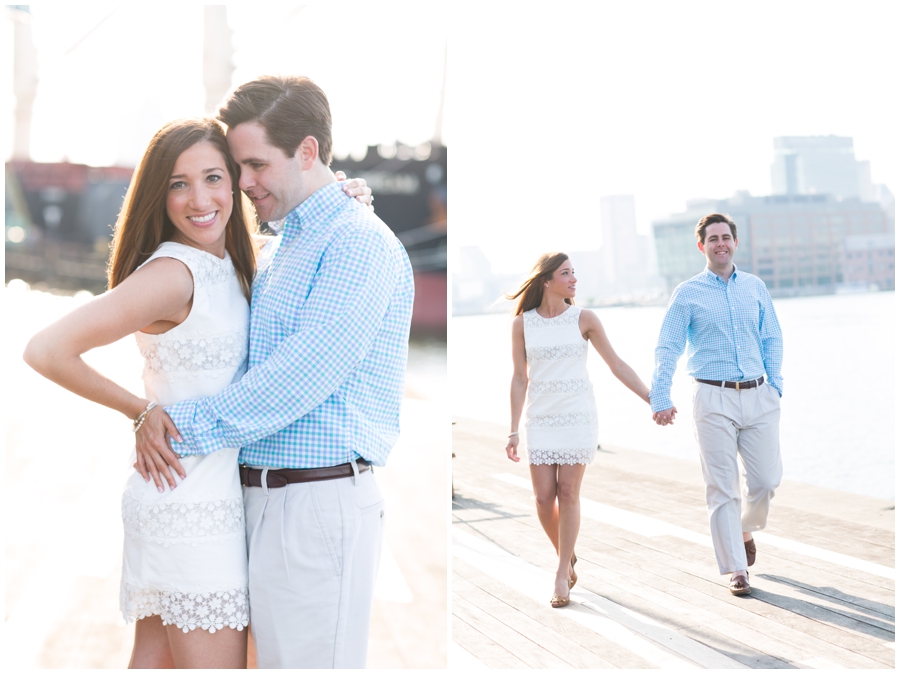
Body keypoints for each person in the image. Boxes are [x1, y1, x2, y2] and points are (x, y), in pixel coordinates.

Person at [23, 117, 371, 668]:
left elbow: (296, 240)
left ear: (235, 182)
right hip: (190, 504)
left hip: (192, 497)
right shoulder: (173, 273)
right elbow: (46, 349)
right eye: (178, 184)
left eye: (213, 177)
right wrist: (139, 411)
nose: (200, 198)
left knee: (155, 663)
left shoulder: (230, 262)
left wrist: (343, 193)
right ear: (157, 195)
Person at [133, 76, 415, 669]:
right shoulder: (287, 244)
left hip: (315, 505)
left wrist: (171, 428)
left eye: (255, 164)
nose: (242, 183)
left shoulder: (358, 243)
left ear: (307, 152)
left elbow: (298, 377)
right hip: (251, 501)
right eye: (239, 167)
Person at [504, 253, 651, 608]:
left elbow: (616, 364)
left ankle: (559, 573)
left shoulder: (585, 319)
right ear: (546, 281)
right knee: (542, 498)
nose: (573, 279)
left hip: (577, 416)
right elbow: (520, 377)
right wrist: (512, 430)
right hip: (540, 419)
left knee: (568, 492)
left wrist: (653, 398)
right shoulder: (523, 324)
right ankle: (566, 556)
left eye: (574, 273)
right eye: (565, 273)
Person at [650, 213, 783, 596]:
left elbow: (772, 337)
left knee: (765, 481)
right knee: (721, 487)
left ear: (735, 243)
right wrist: (660, 395)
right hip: (712, 396)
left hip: (759, 394)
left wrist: (775, 385)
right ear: (701, 246)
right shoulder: (687, 292)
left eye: (726, 237)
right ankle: (735, 570)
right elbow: (668, 346)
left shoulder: (755, 287)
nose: (720, 243)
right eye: (713, 239)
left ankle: (745, 529)